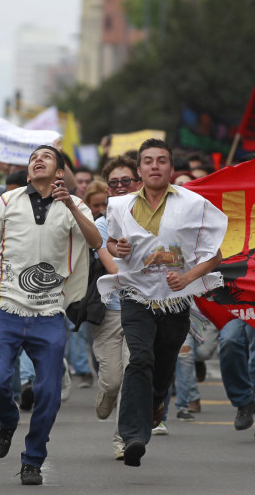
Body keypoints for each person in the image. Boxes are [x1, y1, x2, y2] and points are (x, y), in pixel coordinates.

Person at [0, 145, 101, 486]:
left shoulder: (74, 205)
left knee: (49, 393)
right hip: (6, 308)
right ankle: (7, 420)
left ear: (60, 172)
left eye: (46, 157)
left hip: (50, 312)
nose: (38, 160)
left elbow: (96, 241)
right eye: (33, 157)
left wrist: (70, 204)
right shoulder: (8, 201)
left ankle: (32, 459)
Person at [98, 138, 227, 466]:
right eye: (149, 161)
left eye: (162, 160)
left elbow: (216, 256)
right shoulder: (119, 206)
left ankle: (157, 403)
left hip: (175, 301)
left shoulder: (194, 204)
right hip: (135, 295)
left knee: (163, 365)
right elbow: (112, 243)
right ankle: (133, 437)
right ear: (139, 169)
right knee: (139, 359)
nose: (155, 166)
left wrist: (186, 279)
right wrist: (117, 250)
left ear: (171, 168)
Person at [90, 155, 141, 459]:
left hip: (142, 308)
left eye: (126, 181)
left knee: (132, 372)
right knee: (113, 380)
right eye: (114, 183)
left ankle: (122, 439)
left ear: (138, 182)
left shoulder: (153, 218)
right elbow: (104, 254)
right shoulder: (100, 222)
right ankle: (106, 394)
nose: (121, 187)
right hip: (109, 310)